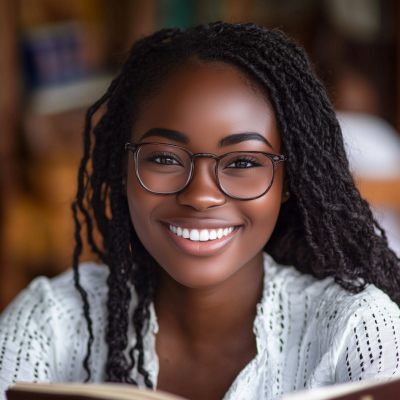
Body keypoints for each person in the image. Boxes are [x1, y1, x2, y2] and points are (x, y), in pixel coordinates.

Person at [1, 22, 400, 400]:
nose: (201, 195)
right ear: (122, 170)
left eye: (243, 162)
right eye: (164, 158)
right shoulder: (45, 326)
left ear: (288, 181)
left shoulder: (355, 331)